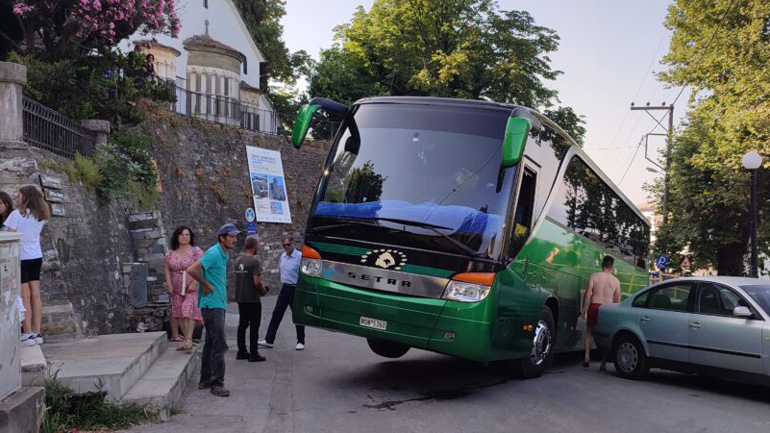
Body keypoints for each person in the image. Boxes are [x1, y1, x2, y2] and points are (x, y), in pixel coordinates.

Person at [186, 223, 240, 397]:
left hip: (218, 304)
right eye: (231, 236)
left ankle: (206, 379)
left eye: (234, 236)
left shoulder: (223, 254)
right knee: (220, 344)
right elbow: (191, 269)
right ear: (222, 238)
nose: (234, 239)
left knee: (210, 341)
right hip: (212, 305)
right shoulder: (214, 253)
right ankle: (217, 383)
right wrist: (206, 284)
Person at [5, 186, 49, 346]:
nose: (16, 199)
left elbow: (8, 236)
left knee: (25, 295)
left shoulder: (16, 215)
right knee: (36, 295)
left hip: (21, 257)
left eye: (19, 196)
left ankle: (28, 331)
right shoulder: (41, 215)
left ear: (26, 198)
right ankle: (37, 332)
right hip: (36, 256)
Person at [259, 236, 305, 351]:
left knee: (297, 315)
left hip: (295, 289)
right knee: (276, 314)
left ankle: (301, 341)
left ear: (293, 244)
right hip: (285, 288)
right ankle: (269, 340)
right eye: (283, 245)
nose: (285, 248)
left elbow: (304, 273)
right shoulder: (283, 256)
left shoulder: (299, 257)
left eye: (288, 245)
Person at [164, 226, 204, 351]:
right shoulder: (172, 252)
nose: (184, 237)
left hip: (191, 284)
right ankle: (186, 339)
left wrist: (195, 283)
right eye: (181, 234)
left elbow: (202, 267)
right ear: (177, 236)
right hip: (176, 286)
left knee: (188, 310)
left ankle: (189, 339)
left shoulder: (196, 251)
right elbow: (167, 268)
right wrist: (169, 284)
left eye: (187, 234)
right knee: (180, 312)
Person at [580, 255, 621, 370]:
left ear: (602, 264)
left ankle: (587, 358)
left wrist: (584, 309)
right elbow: (617, 300)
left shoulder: (594, 276)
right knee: (604, 335)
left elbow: (588, 294)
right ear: (612, 267)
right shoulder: (616, 281)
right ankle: (603, 362)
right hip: (607, 309)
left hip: (594, 306)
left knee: (589, 332)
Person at [234, 236, 268, 362]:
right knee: (254, 326)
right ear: (254, 247)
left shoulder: (239, 261)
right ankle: (254, 353)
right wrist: (262, 290)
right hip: (252, 298)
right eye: (257, 246)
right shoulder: (254, 262)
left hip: (241, 297)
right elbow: (256, 281)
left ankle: (241, 351)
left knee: (242, 325)